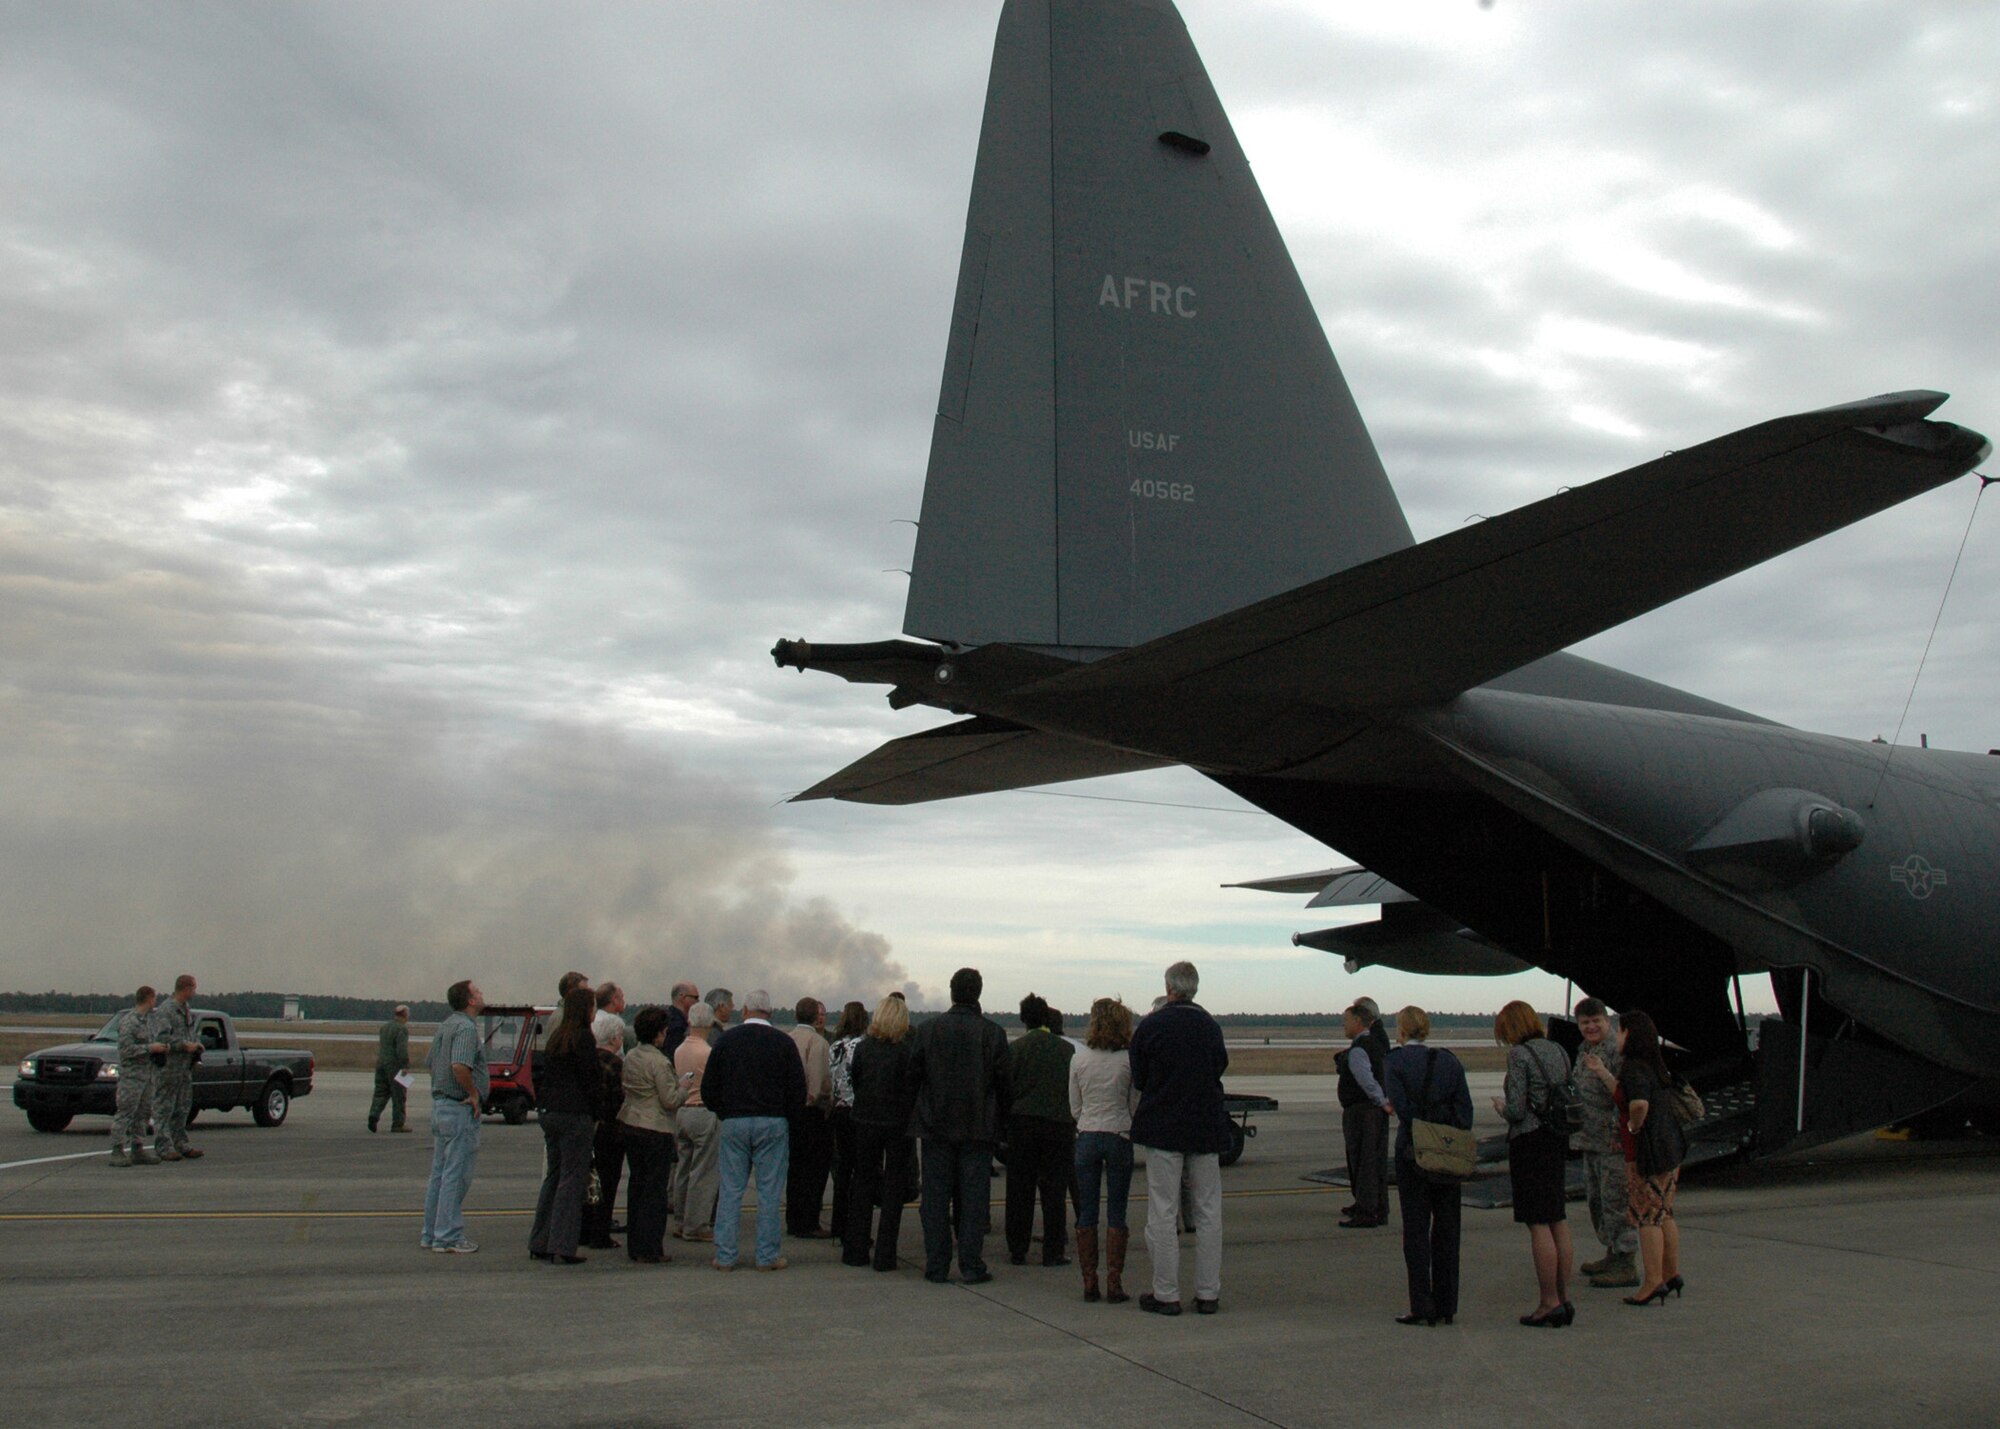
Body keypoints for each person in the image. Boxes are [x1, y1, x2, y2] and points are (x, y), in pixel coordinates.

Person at [1131, 961, 1229, 1316]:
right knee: (1208, 1212)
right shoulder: (1210, 1026)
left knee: (1163, 1209)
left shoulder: (1152, 1026)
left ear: (1168, 988)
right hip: (1204, 1126)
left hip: (1164, 1127)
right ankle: (1207, 1293)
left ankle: (1166, 1293)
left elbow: (1139, 1077)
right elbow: (1219, 1065)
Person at [908, 966, 1011, 1284]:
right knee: (973, 1198)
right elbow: (1005, 1084)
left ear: (952, 992)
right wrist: (1002, 1126)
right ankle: (971, 1264)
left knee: (935, 1199)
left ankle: (937, 1264)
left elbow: (912, 1077)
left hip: (936, 1125)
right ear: (977, 993)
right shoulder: (993, 1033)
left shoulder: (927, 1030)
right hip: (977, 1128)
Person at [1588, 1008, 1688, 1307]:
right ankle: (1671, 1274)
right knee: (1664, 1213)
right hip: (1669, 1148)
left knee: (1646, 1218)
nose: (1616, 1036)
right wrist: (1602, 1071)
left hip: (1647, 1153)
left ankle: (1652, 1281)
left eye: (1619, 1030)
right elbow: (1625, 1092)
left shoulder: (1634, 1067)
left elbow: (1638, 1103)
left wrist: (1633, 1125)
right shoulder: (1653, 1065)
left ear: (1629, 1034)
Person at [704, 989, 807, 1271]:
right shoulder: (783, 1043)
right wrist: (787, 1116)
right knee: (769, 1192)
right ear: (770, 1012)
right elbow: (798, 1088)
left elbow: (708, 1088)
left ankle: (725, 1255)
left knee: (731, 1190)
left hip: (735, 1121)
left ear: (745, 1010)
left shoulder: (726, 1040)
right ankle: (767, 1255)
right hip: (772, 1121)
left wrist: (724, 1112)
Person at [1382, 1006, 1473, 1326]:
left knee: (1416, 1230)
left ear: (1402, 1031)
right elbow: (1466, 1112)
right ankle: (1447, 1304)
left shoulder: (1394, 1062)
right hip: (1446, 1152)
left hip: (1413, 1151)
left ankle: (1422, 1305)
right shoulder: (1449, 1061)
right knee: (1448, 1230)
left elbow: (1403, 1110)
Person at [1493, 999, 1576, 1326]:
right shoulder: (1558, 1050)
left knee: (1537, 1222)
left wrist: (1501, 1107)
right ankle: (1564, 1297)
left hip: (1529, 1141)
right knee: (1558, 1217)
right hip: (1556, 1138)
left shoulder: (1519, 1056)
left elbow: (1517, 1108)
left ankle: (1547, 1302)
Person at [529, 987, 606, 1265]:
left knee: (554, 1174)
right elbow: (591, 1080)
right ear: (586, 1009)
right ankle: (563, 1244)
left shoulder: (557, 1037)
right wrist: (599, 1113)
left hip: (550, 1110)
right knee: (572, 1180)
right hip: (575, 1113)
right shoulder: (583, 1038)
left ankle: (540, 1239)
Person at [1069, 996, 1136, 1303]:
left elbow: (1075, 1106)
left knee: (1087, 1211)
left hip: (1087, 1134)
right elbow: (1133, 1103)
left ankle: (1088, 1281)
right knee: (1117, 1211)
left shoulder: (1079, 1059)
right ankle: (1114, 1281)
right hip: (1118, 1133)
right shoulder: (1127, 1060)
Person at [845, 994, 919, 1271]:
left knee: (863, 1182)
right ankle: (885, 1255)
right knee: (894, 1187)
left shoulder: (863, 1049)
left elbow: (857, 1079)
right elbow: (911, 1087)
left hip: (865, 1120)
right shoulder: (906, 1051)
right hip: (897, 1123)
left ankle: (855, 1249)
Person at [1571, 997, 1639, 1288]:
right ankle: (1612, 1253)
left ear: (1607, 1021)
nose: (1591, 1027)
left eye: (1596, 1021)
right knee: (1597, 1200)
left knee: (1616, 1202)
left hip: (1612, 1142)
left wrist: (1616, 1134)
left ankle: (1626, 1262)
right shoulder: (1584, 1049)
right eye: (1585, 1023)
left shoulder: (1615, 1050)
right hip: (1590, 1138)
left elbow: (1623, 1095)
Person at [1005, 992, 1076, 1268]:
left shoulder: (1016, 1049)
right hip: (1058, 1125)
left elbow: (1006, 1088)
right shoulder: (1064, 1050)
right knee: (1054, 1191)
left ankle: (1017, 1248)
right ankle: (1053, 1250)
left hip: (1022, 1125)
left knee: (1019, 1189)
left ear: (1023, 1019)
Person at [620, 1005, 693, 1263]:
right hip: (655, 1128)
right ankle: (651, 1246)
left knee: (637, 1186)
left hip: (631, 1121)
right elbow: (670, 1100)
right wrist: (684, 1087)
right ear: (659, 1034)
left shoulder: (631, 1056)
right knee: (654, 1191)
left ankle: (635, 1244)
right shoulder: (659, 1062)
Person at [422, 978, 488, 1253]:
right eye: (478, 991)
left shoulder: (446, 1025)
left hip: (441, 1106)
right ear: (470, 1000)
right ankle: (448, 1236)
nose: (483, 994)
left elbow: (430, 1063)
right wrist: (473, 1093)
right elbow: (460, 1065)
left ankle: (431, 1232)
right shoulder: (465, 1028)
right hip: (457, 1109)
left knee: (439, 1173)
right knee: (455, 1174)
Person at [1336, 998, 1392, 1228]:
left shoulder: (1359, 1049)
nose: (1344, 1025)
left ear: (1358, 1021)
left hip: (1362, 1112)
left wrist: (1382, 1101)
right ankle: (1376, 1208)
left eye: (1347, 1021)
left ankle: (1368, 1212)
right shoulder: (1375, 1044)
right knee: (1374, 1161)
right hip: (1372, 1112)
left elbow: (1367, 1081)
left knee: (1364, 1161)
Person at [786, 996, 837, 1237]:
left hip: (789, 1111)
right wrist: (825, 1103)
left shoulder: (786, 1038)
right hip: (811, 1113)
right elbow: (819, 1084)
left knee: (795, 1169)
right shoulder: (818, 1043)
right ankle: (808, 1221)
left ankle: (793, 1218)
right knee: (815, 1170)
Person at [672, 1001, 721, 1242]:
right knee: (703, 1171)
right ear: (710, 1024)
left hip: (683, 1110)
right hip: (703, 1111)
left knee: (683, 1168)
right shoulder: (707, 1052)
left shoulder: (680, 1050)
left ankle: (680, 1219)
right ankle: (697, 1224)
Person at [579, 1017, 628, 1251]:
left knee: (588, 1180)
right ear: (614, 1038)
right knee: (607, 1183)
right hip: (610, 1129)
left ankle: (583, 1229)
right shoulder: (616, 1064)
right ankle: (601, 1233)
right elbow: (619, 1098)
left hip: (587, 1126)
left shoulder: (587, 1061)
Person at [149, 974, 204, 1163]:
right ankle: (163, 1146)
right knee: (164, 1108)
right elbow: (162, 1038)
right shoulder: (167, 1010)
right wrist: (183, 1045)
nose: (195, 991)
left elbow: (190, 1033)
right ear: (186, 988)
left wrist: (196, 1045)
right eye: (194, 987)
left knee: (182, 1108)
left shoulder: (186, 1010)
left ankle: (181, 1144)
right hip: (169, 1068)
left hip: (184, 1069)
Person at [827, 1000, 868, 1246]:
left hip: (839, 1111)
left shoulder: (835, 1046)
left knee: (842, 1170)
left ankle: (838, 1225)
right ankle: (855, 1227)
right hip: (858, 1112)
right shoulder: (862, 1046)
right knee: (860, 1171)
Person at [108, 985, 160, 1167]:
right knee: (125, 1112)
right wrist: (149, 1048)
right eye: (154, 998)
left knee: (143, 1113)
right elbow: (126, 1050)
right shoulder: (130, 1021)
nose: (156, 1002)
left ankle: (138, 1148)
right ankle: (117, 1149)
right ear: (148, 998)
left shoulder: (148, 1021)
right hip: (132, 1077)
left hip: (148, 1075)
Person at [368, 1004, 412, 1134]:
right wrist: (405, 1065)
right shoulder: (402, 1029)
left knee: (380, 1092)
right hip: (395, 1066)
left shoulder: (384, 1027)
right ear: (405, 1015)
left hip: (381, 1064)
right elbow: (401, 1049)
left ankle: (374, 1115)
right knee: (399, 1095)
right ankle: (398, 1124)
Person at [592, 981, 635, 1053]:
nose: (624, 1001)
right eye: (622, 997)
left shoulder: (593, 1021)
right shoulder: (615, 1024)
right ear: (614, 1000)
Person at [663, 981, 701, 1062]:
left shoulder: (666, 1017)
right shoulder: (677, 1025)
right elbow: (674, 1056)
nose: (698, 1001)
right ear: (683, 997)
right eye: (695, 997)